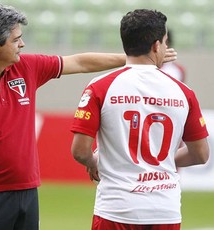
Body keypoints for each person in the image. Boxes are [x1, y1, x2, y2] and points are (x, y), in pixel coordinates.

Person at [0, 4, 176, 230]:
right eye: (16, 40)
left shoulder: (26, 68)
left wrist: (136, 60)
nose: (22, 45)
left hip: (28, 194)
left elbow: (79, 62)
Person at [71, 9, 209, 230]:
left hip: (116, 208)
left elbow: (80, 151)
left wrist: (94, 162)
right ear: (156, 45)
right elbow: (200, 154)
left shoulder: (99, 87)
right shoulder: (184, 92)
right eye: (165, 42)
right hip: (164, 210)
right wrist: (157, 163)